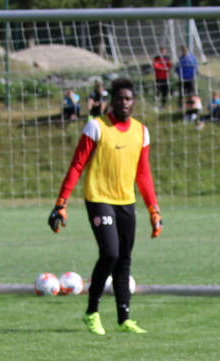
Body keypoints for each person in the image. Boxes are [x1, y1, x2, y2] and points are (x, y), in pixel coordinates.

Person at [49, 78, 162, 336]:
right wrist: (61, 203)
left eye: (129, 99)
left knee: (124, 260)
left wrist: (153, 209)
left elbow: (143, 174)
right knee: (110, 253)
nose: (124, 103)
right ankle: (91, 313)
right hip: (99, 199)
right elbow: (77, 165)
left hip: (126, 202)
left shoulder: (141, 132)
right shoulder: (96, 127)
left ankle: (124, 319)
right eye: (120, 98)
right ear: (112, 100)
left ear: (134, 102)